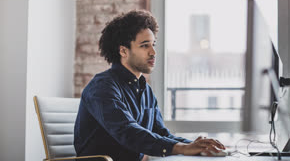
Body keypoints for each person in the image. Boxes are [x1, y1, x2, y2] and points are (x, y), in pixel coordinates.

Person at [74, 10, 225, 161]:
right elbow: (127, 131)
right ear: (123, 51)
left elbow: (161, 134)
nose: (153, 52)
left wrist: (197, 145)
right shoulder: (102, 87)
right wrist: (184, 148)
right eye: (145, 46)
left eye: (153, 44)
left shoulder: (145, 90)